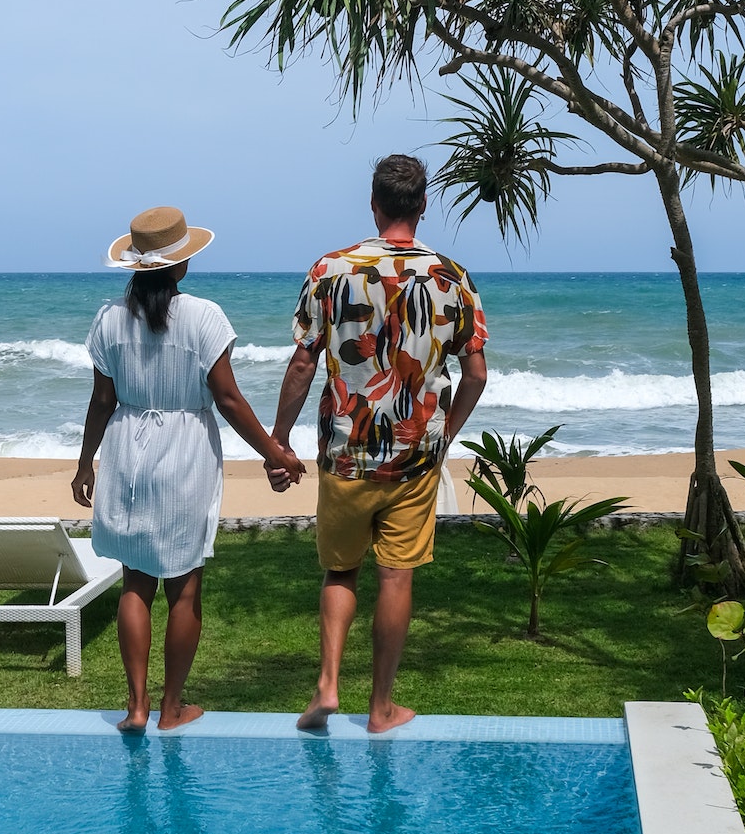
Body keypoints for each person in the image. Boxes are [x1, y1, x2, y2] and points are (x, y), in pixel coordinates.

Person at [268, 155, 488, 734]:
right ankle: (381, 708)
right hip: (415, 459)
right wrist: (444, 434)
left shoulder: (331, 269)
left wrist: (278, 440)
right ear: (421, 205)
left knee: (340, 574)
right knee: (397, 576)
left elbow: (301, 363)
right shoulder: (452, 277)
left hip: (345, 451)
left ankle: (327, 686)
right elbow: (477, 375)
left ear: (373, 204)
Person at [73, 205, 303, 733]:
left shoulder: (109, 318)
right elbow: (227, 398)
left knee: (135, 583)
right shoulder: (204, 317)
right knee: (184, 587)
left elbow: (100, 402)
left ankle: (135, 707)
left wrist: (86, 463)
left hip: (127, 450)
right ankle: (171, 708)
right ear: (180, 264)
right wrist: (274, 451)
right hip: (185, 454)